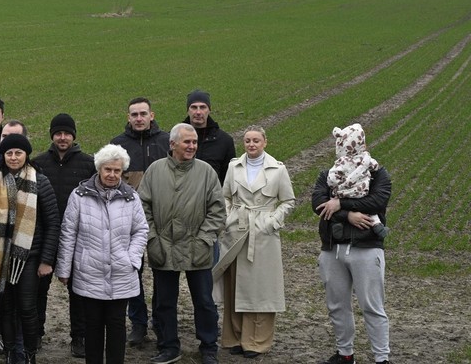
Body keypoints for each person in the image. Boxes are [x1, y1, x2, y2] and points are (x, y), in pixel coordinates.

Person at [137, 123, 224, 364]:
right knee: (164, 302)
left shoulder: (206, 172)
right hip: (163, 247)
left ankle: (208, 347)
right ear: (173, 144)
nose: (192, 146)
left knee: (204, 301)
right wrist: (153, 238)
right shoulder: (155, 171)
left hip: (198, 248)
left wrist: (205, 238)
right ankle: (168, 346)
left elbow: (218, 211)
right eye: (187, 142)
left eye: (195, 142)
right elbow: (142, 208)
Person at [55, 144, 148, 364]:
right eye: (108, 169)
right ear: (99, 169)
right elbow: (68, 233)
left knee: (116, 325)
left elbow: (141, 230)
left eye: (117, 170)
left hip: (121, 271)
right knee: (92, 326)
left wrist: (132, 259)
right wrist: (64, 269)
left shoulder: (131, 198)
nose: (112, 174)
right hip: (89, 272)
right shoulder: (79, 196)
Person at [0, 134, 60, 364]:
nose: (13, 157)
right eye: (9, 153)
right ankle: (12, 353)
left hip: (28, 257)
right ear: (3, 155)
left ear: (26, 155)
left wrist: (47, 259)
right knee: (6, 308)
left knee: (28, 308)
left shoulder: (40, 181)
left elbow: (52, 224)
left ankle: (30, 354)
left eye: (18, 153)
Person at [312, 123, 392, 364]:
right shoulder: (328, 174)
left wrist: (340, 204)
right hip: (333, 249)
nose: (348, 148)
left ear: (364, 144)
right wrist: (348, 216)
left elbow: (378, 201)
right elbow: (318, 203)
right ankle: (345, 354)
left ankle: (382, 358)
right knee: (337, 306)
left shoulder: (378, 173)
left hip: (366, 249)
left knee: (372, 306)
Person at [212, 126, 295, 358]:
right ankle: (235, 337)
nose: (251, 144)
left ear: (265, 142)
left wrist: (271, 222)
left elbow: (288, 201)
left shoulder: (278, 170)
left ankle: (257, 341)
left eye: (256, 140)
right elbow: (225, 195)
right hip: (236, 231)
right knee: (235, 285)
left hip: (262, 235)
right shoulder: (233, 166)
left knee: (260, 289)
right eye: (247, 140)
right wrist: (229, 218)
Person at [32, 113, 96, 358]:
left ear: (73, 136)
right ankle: (35, 333)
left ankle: (78, 337)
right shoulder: (38, 164)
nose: (62, 137)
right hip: (45, 237)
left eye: (67, 133)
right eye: (58, 133)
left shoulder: (88, 164)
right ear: (52, 136)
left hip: (78, 238)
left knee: (78, 292)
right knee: (39, 289)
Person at [109, 96, 169, 347]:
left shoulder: (166, 142)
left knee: (162, 271)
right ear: (128, 118)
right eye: (134, 115)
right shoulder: (118, 146)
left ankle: (161, 321)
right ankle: (138, 323)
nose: (139, 118)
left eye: (143, 114)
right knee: (132, 271)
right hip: (127, 220)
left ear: (152, 115)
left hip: (161, 219)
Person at [183, 90, 237, 185]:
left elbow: (229, 179)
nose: (198, 112)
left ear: (209, 110)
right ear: (188, 110)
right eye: (194, 107)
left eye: (203, 107)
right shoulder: (173, 138)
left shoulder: (224, 140)